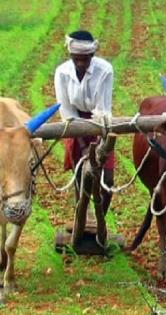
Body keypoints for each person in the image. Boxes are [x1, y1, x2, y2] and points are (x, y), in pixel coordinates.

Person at [54, 30, 114, 215]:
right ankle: (81, 217)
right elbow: (66, 110)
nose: (80, 63)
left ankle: (100, 220)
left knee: (107, 180)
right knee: (81, 175)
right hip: (74, 125)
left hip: (100, 124)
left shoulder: (105, 70)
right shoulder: (62, 72)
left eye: (85, 59)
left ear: (92, 55)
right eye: (76, 59)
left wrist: (98, 147)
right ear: (71, 55)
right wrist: (82, 144)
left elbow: (102, 109)